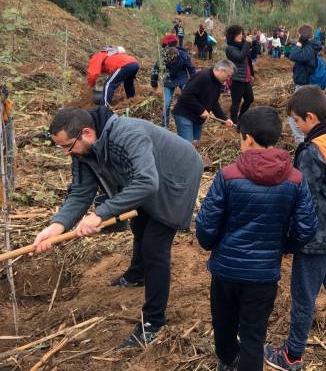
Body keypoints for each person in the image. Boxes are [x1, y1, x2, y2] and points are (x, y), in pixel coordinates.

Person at [32, 105, 204, 347]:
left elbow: (146, 182)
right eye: (59, 147)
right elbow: (81, 192)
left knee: (155, 247)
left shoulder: (127, 135)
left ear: (87, 133)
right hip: (147, 176)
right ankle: (137, 275)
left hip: (177, 174)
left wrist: (100, 214)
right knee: (140, 224)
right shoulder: (81, 150)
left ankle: (152, 323)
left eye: (66, 146)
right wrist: (57, 226)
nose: (64, 152)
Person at [196, 107, 318, 371]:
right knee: (253, 334)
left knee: (223, 323)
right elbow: (307, 227)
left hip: (226, 271)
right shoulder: (295, 179)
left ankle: (227, 361)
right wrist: (284, 246)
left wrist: (211, 245)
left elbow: (206, 224)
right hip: (263, 275)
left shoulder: (228, 175)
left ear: (248, 138)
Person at [265, 86, 326, 371]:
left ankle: (292, 355)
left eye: (296, 120)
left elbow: (301, 196)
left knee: (304, 296)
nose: (294, 125)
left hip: (315, 237)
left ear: (310, 117)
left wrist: (288, 235)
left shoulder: (311, 150)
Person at [172, 60, 235, 146]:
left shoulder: (218, 83)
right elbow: (186, 95)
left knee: (195, 144)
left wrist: (224, 120)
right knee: (187, 146)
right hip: (185, 115)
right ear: (222, 71)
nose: (228, 79)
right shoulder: (202, 76)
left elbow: (213, 102)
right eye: (228, 76)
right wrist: (201, 110)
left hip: (198, 119)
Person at [151, 35, 196, 128]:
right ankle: (164, 127)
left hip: (182, 78)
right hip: (168, 80)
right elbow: (155, 69)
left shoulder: (184, 55)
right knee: (166, 104)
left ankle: (190, 120)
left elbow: (191, 69)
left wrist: (193, 83)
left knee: (189, 98)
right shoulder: (162, 56)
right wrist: (154, 82)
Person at [288, 25, 323, 143]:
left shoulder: (308, 48)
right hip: (305, 84)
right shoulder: (310, 46)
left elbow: (293, 55)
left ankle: (301, 141)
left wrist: (299, 43)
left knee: (292, 113)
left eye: (299, 35)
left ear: (302, 36)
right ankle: (310, 138)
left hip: (304, 86)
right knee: (308, 113)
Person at [224, 25, 255, 123]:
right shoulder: (230, 48)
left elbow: (252, 55)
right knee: (236, 102)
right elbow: (240, 57)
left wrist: (253, 44)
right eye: (239, 34)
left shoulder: (242, 45)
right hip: (236, 78)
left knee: (250, 99)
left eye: (241, 33)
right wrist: (246, 44)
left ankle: (241, 117)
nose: (241, 35)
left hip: (245, 78)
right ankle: (234, 122)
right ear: (233, 35)